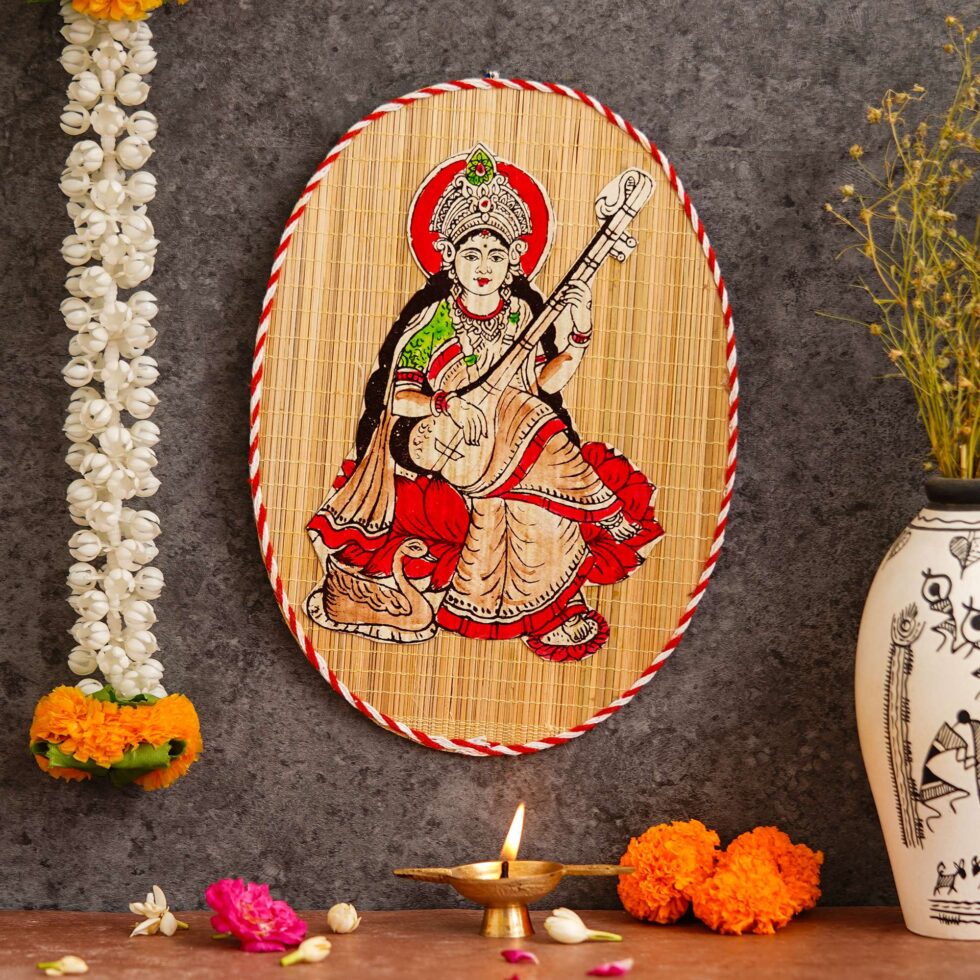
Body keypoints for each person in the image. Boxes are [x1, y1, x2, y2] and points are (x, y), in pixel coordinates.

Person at [307, 145, 663, 662]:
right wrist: (448, 403)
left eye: (495, 256)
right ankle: (603, 509)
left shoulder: (522, 313)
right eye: (471, 254)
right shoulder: (433, 319)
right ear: (448, 256)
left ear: (515, 257)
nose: (483, 266)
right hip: (434, 438)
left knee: (528, 490)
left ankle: (538, 608)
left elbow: (541, 383)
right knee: (526, 418)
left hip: (504, 439)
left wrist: (578, 335)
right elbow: (399, 399)